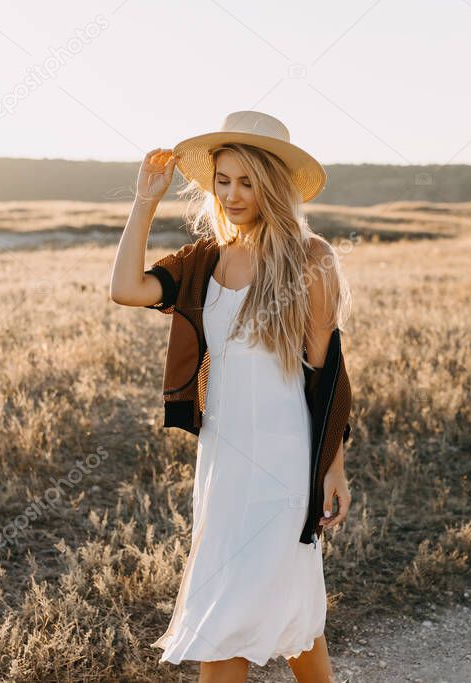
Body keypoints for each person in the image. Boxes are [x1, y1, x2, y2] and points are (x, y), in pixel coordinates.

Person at [109, 111, 353, 683]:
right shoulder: (205, 261)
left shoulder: (310, 258)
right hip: (222, 459)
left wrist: (333, 468)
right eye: (223, 180)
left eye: (247, 181)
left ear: (273, 184)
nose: (233, 193)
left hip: (285, 459)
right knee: (285, 602)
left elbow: (327, 375)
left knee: (229, 610)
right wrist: (144, 201)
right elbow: (126, 289)